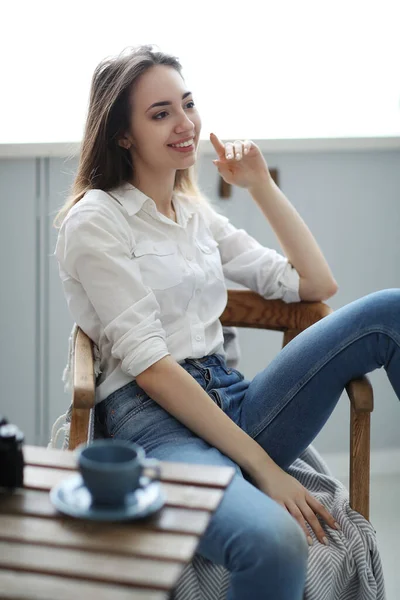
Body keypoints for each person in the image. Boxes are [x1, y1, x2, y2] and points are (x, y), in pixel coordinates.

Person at [54, 45, 400, 600]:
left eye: (187, 104)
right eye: (160, 113)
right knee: (274, 541)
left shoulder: (193, 215)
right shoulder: (96, 219)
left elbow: (315, 284)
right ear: (123, 135)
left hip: (235, 401)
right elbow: (152, 370)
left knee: (390, 311)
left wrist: (260, 184)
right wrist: (265, 469)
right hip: (155, 422)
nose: (185, 123)